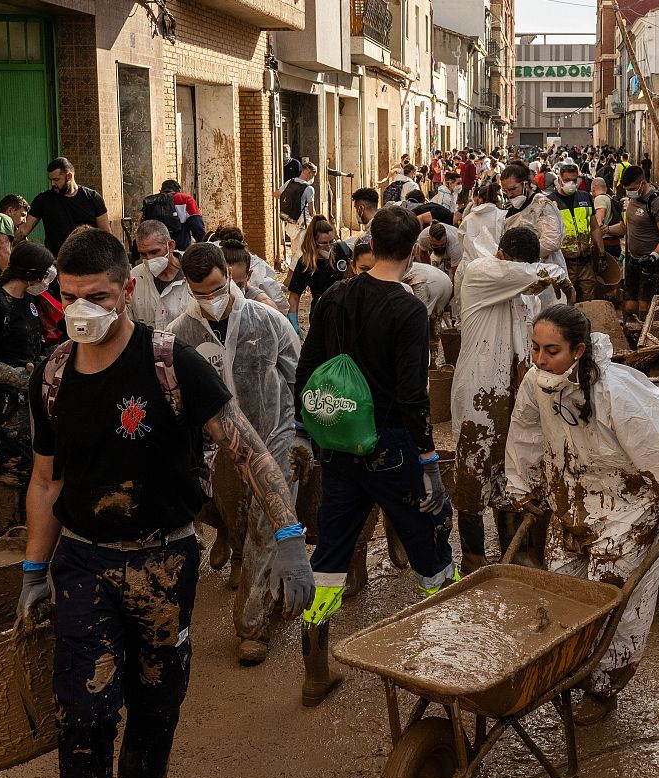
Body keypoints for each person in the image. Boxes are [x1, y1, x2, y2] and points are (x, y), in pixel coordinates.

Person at [19, 228, 314, 778]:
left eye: (96, 296)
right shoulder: (54, 374)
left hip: (162, 562)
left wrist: (289, 535)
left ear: (129, 290)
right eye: (68, 298)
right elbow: (46, 480)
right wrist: (33, 572)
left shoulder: (171, 363)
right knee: (85, 710)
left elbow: (248, 447)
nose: (80, 312)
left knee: (156, 704)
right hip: (85, 561)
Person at [503, 304, 659, 724]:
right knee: (564, 591)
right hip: (572, 503)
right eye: (535, 348)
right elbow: (524, 429)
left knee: (616, 601)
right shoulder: (535, 383)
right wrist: (523, 484)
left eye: (552, 351)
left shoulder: (616, 390)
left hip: (627, 509)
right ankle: (568, 668)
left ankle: (603, 687)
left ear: (578, 350)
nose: (540, 359)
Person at [294, 207, 458, 706]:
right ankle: (445, 657)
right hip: (389, 444)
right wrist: (428, 461)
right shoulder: (408, 309)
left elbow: (306, 371)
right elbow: (412, 395)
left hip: (340, 445)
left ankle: (315, 672)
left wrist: (318, 434)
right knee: (430, 538)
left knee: (329, 553)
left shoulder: (335, 296)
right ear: (413, 251)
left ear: (369, 242)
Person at [170, 242, 303, 665]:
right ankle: (266, 585)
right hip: (218, 447)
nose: (210, 300)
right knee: (233, 519)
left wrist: (302, 435)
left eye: (215, 289)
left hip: (272, 435)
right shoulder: (180, 334)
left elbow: (296, 377)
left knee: (267, 526)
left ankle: (251, 625)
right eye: (199, 293)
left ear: (229, 275)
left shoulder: (268, 321)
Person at [452, 227, 569, 570]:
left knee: (513, 469)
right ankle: (472, 556)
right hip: (479, 394)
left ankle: (511, 552)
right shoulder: (480, 272)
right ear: (501, 255)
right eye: (516, 265)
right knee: (474, 472)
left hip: (517, 390)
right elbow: (536, 273)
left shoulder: (527, 290)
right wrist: (555, 273)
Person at [0, 241, 52, 534]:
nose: (46, 280)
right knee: (12, 465)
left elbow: (30, 346)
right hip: (4, 403)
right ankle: (6, 532)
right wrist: (16, 376)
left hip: (28, 398)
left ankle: (29, 526)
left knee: (32, 461)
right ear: (29, 274)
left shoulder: (28, 301)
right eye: (43, 274)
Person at [610, 165, 659, 329]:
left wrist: (654, 255)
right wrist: (606, 229)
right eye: (626, 190)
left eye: (631, 189)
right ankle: (631, 335)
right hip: (633, 259)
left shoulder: (658, 204)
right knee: (630, 305)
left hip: (652, 262)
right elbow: (625, 227)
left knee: (645, 307)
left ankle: (649, 337)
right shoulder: (632, 200)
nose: (629, 192)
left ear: (642, 183)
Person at [16, 157, 113, 255]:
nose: (53, 184)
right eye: (51, 180)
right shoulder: (43, 200)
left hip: (89, 261)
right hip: (56, 262)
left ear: (69, 176)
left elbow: (106, 234)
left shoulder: (92, 198)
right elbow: (24, 230)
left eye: (56, 180)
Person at [501, 163, 568, 298]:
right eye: (506, 192)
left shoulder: (542, 204)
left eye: (513, 189)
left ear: (525, 184)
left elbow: (551, 242)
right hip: (521, 274)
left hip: (545, 270)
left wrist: (521, 256)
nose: (510, 195)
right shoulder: (510, 211)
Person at [286, 217, 354, 334]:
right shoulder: (305, 263)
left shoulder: (341, 251)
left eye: (331, 242)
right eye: (323, 243)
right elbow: (294, 295)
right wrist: (293, 321)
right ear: (313, 242)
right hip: (321, 312)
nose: (328, 247)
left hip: (344, 311)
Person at [551, 161, 602, 302]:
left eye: (574, 180)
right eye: (567, 180)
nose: (571, 183)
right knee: (565, 301)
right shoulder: (550, 202)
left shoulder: (585, 197)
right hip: (564, 263)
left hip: (586, 260)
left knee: (588, 299)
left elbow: (595, 227)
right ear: (560, 179)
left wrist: (601, 252)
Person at [128, 220, 189, 330]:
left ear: (170, 246)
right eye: (143, 254)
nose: (149, 259)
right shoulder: (134, 277)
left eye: (154, 252)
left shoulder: (193, 272)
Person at [460, 182, 507, 276]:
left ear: (479, 199)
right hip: (494, 269)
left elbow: (461, 243)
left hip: (469, 268)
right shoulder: (503, 216)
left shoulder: (468, 218)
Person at [278, 162, 318, 266]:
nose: (313, 178)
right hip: (303, 224)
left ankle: (292, 276)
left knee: (294, 251)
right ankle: (292, 277)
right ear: (308, 173)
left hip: (290, 223)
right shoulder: (309, 189)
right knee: (302, 253)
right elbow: (311, 211)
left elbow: (277, 194)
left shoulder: (290, 182)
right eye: (313, 175)